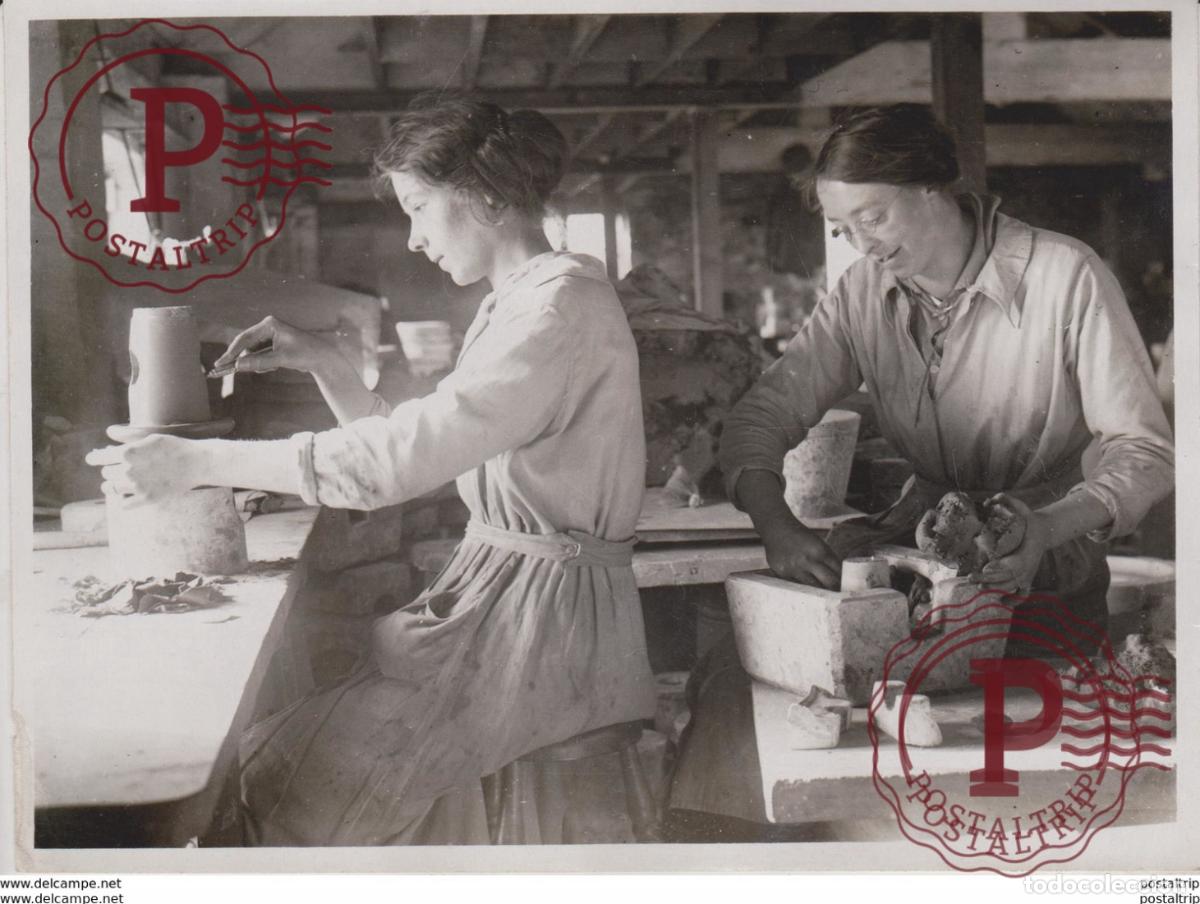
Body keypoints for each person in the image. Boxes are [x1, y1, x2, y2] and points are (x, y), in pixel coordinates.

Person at [87, 94, 656, 845]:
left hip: (547, 629)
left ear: (485, 196)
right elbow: (425, 452)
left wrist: (195, 461)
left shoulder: (554, 314)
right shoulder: (520, 302)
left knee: (286, 790)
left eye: (420, 208)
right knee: (276, 755)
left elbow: (395, 466)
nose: (416, 240)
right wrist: (329, 361)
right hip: (510, 601)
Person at [667, 104, 1174, 836]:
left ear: (935, 185)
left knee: (978, 787)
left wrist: (1047, 526)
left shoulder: (1065, 277)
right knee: (741, 691)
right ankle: (736, 860)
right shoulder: (860, 295)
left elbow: (1146, 451)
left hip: (1035, 571)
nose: (861, 245)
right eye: (844, 230)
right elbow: (763, 415)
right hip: (913, 564)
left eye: (872, 217)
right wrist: (774, 523)